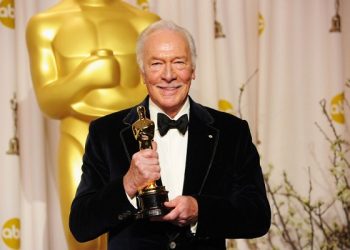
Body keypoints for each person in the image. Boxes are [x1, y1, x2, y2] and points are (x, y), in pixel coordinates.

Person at [69, 20, 271, 250]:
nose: (168, 75)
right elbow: (81, 225)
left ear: (193, 70)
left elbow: (257, 216)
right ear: (142, 73)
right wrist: (128, 184)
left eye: (178, 62)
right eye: (156, 63)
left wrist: (199, 210)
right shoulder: (106, 133)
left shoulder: (231, 132)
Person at [26, 1, 159, 249]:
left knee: (142, 235)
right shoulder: (46, 25)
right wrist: (85, 77)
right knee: (83, 239)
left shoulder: (145, 22)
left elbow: (157, 93)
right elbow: (48, 102)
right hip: (78, 136)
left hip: (132, 141)